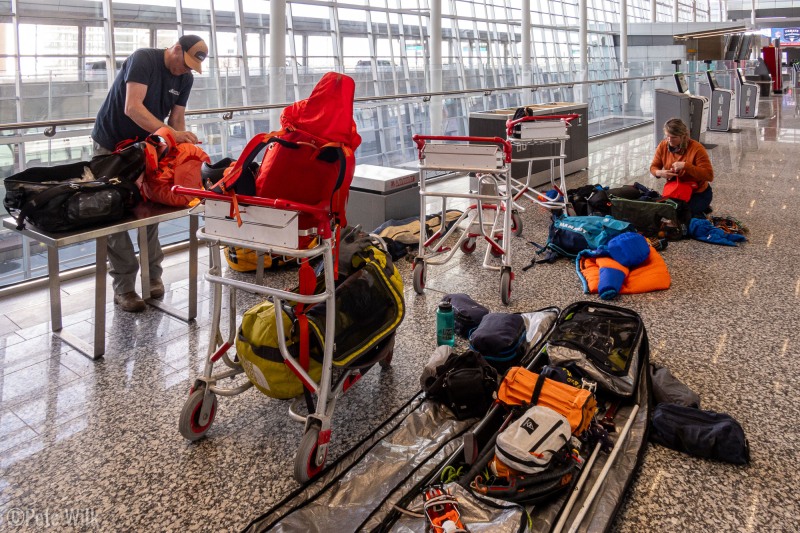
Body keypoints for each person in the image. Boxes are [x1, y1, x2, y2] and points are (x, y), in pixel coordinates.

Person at [91, 35, 208, 312]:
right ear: (176, 49)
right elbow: (132, 107)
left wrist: (180, 141)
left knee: (149, 211)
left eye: (193, 67)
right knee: (115, 215)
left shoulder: (185, 78)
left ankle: (152, 276)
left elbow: (176, 119)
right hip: (111, 148)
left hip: (147, 149)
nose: (186, 70)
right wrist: (172, 134)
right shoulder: (144, 59)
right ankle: (125, 288)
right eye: (186, 62)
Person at [650, 117, 714, 218]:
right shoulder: (663, 146)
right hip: (677, 190)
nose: (669, 140)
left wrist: (686, 166)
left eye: (673, 137)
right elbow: (653, 167)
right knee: (665, 213)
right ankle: (700, 209)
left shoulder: (697, 148)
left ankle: (701, 208)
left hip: (698, 192)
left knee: (684, 216)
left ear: (683, 136)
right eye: (667, 136)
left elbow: (709, 176)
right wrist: (659, 173)